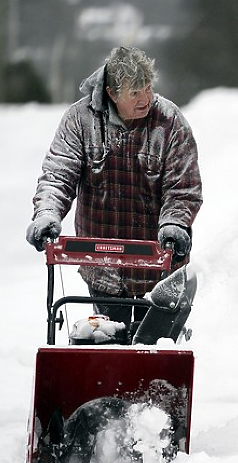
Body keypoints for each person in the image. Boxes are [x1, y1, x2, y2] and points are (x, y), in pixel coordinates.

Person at [25, 46, 203, 329]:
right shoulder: (80, 120)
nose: (145, 98)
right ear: (112, 93)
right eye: (135, 93)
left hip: (158, 265)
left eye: (148, 88)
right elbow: (58, 174)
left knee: (152, 344)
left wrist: (175, 223)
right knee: (108, 339)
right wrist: (47, 213)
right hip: (102, 264)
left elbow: (183, 186)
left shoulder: (169, 121)